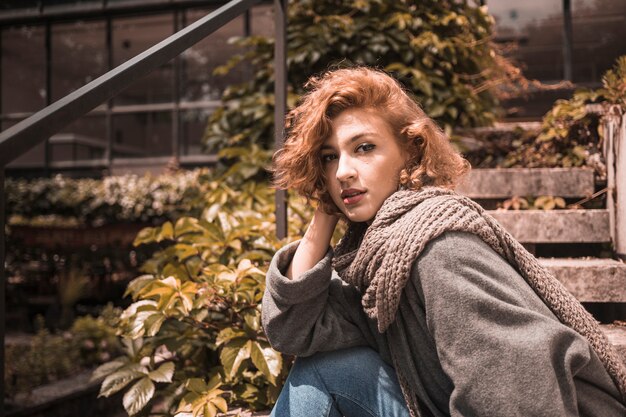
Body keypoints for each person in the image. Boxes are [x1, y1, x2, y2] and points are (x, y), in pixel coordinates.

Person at [261, 67, 626, 417]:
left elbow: (516, 385)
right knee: (327, 368)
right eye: (329, 157)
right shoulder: (378, 262)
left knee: (326, 374)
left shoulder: (439, 248)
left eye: (364, 148)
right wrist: (324, 211)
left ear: (411, 152)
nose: (342, 171)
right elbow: (293, 329)